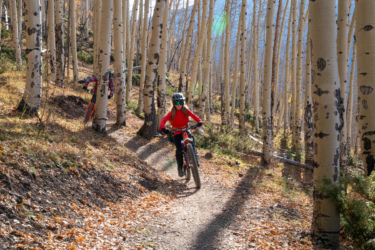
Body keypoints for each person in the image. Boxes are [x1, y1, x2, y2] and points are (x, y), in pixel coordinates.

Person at [159, 93, 203, 177]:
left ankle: (195, 159)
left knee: (192, 140)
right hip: (176, 132)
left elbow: (193, 115)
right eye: (177, 103)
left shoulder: (185, 110)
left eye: (181, 103)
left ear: (183, 103)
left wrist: (199, 121)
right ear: (173, 103)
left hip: (186, 129)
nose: (179, 105)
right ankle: (180, 167)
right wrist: (163, 128)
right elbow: (163, 120)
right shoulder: (171, 113)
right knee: (179, 150)